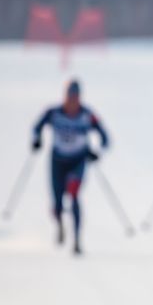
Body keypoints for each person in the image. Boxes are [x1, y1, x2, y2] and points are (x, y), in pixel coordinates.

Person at [32, 78, 110, 255]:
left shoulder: (87, 114)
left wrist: (96, 152)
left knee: (74, 194)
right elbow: (37, 127)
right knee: (57, 201)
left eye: (76, 96)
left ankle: (76, 240)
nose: (73, 100)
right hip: (57, 161)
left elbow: (105, 137)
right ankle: (59, 223)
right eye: (70, 96)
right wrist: (37, 140)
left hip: (78, 160)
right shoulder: (54, 112)